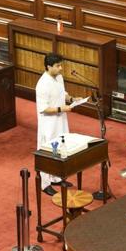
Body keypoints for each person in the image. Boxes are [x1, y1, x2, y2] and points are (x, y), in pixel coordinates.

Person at [35, 53, 81, 196]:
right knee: (49, 152)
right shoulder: (42, 85)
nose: (61, 68)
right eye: (58, 66)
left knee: (61, 149)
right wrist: (63, 108)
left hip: (60, 121)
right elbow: (44, 109)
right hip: (49, 124)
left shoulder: (59, 77)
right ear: (49, 67)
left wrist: (72, 98)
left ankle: (57, 177)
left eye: (61, 65)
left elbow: (62, 94)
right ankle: (45, 183)